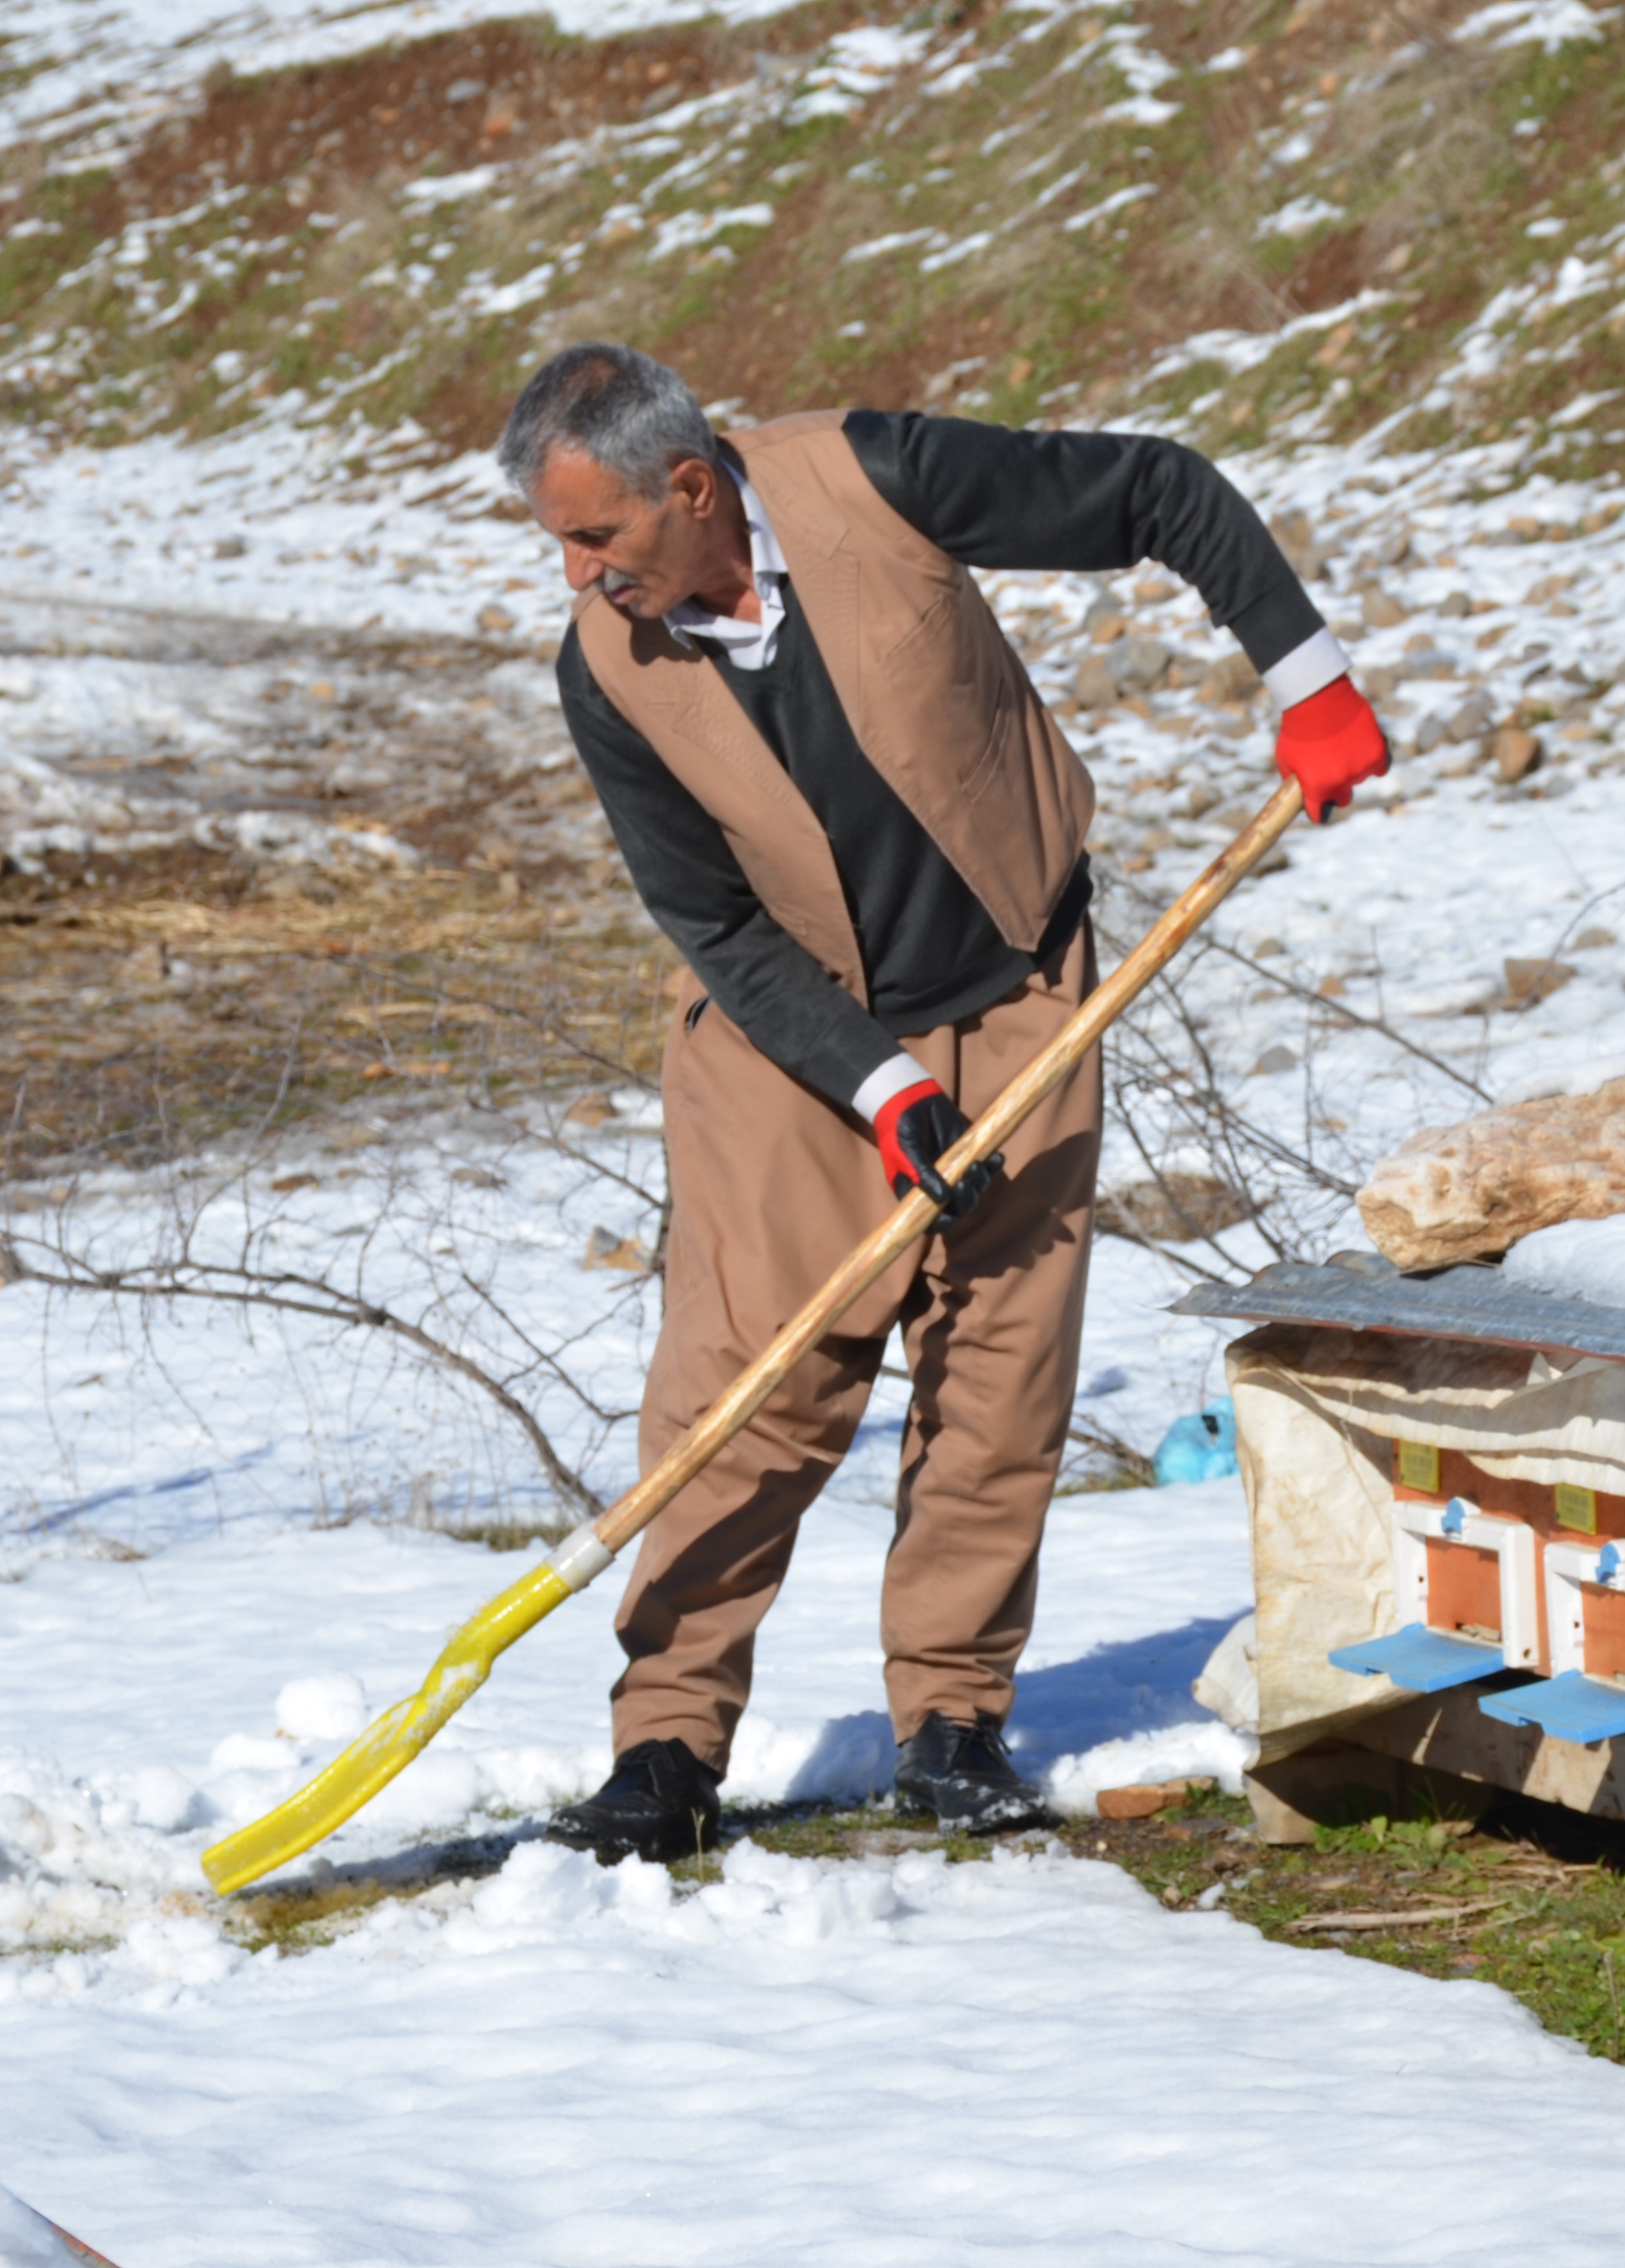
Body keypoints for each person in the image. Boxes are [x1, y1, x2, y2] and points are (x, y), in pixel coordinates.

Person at [499, 345, 1388, 1861]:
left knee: (999, 1364)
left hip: (1020, 982)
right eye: (561, 545)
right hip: (788, 1049)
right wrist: (880, 1084)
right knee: (742, 1394)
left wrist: (1306, 679)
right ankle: (666, 1740)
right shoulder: (607, 670)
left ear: (694, 489)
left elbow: (1157, 492)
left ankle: (953, 1720)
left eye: (598, 537)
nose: (579, 575)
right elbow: (714, 924)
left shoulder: (875, 479)